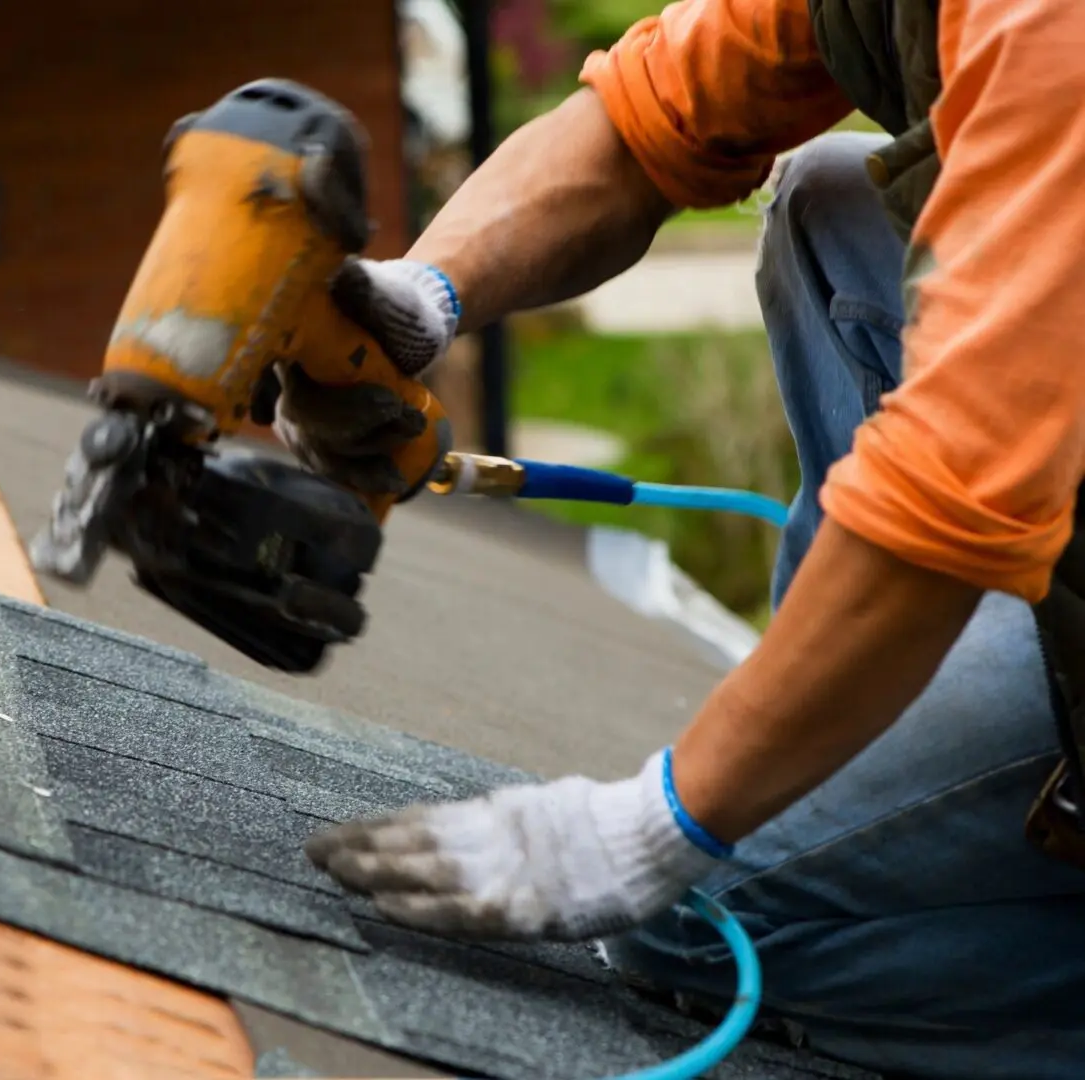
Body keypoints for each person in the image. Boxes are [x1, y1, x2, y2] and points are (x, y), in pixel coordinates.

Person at [275, 0, 1085, 1076]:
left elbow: (952, 486)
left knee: (699, 921)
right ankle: (851, 711)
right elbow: (652, 116)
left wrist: (648, 833)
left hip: (990, 496)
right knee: (830, 199)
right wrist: (421, 299)